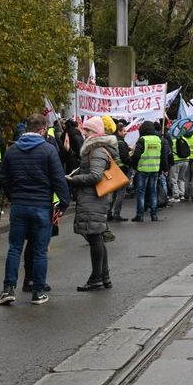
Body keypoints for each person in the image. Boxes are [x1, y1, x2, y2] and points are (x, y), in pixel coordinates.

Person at [0, 114, 70, 305]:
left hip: (19, 206)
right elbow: (58, 178)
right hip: (41, 206)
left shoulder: (12, 151)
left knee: (14, 248)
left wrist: (14, 195)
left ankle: (8, 289)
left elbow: (3, 177)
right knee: (39, 251)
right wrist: (63, 203)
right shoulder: (48, 150)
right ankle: (38, 291)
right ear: (42, 130)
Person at [65, 116, 119, 291]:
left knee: (95, 237)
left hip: (94, 198)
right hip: (94, 198)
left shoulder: (97, 151)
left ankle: (97, 278)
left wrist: (74, 180)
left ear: (94, 132)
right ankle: (104, 276)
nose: (83, 132)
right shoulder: (95, 150)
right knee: (97, 237)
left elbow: (95, 176)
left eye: (86, 130)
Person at [130, 120, 167, 221]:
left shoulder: (142, 140)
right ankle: (154, 215)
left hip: (142, 169)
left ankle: (140, 215)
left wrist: (134, 165)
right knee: (153, 192)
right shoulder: (159, 140)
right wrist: (164, 168)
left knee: (141, 192)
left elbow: (136, 155)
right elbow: (163, 156)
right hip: (155, 169)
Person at [108, 119, 132, 222]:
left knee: (113, 192)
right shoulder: (121, 143)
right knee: (120, 193)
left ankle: (108, 213)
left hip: (113, 168)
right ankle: (117, 213)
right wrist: (130, 160)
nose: (126, 132)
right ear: (119, 131)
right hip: (122, 169)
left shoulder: (112, 141)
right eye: (124, 131)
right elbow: (124, 158)